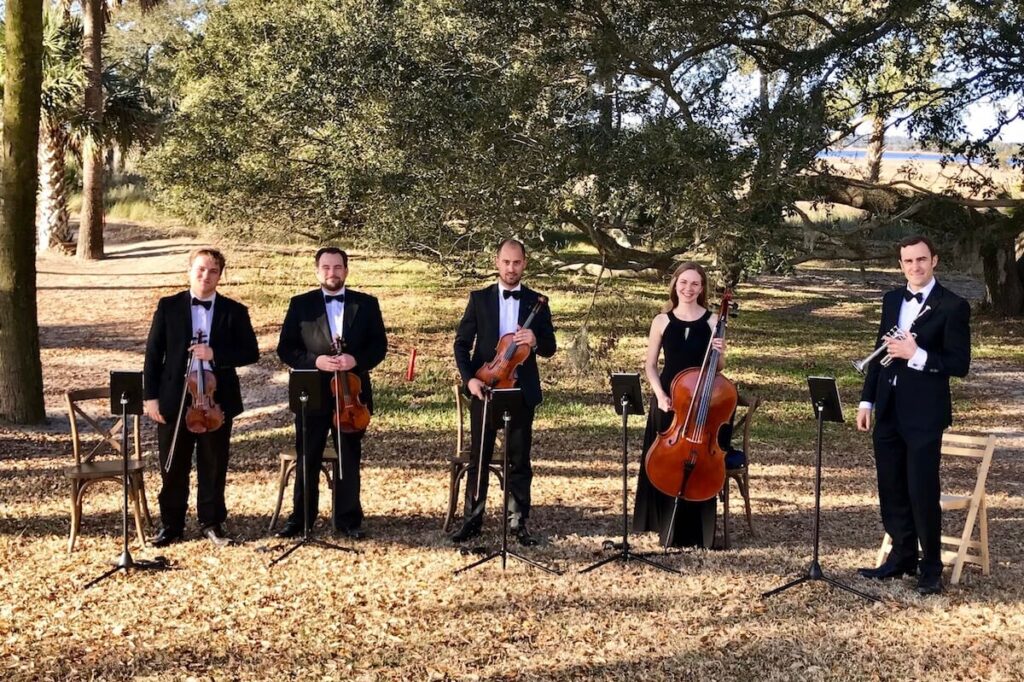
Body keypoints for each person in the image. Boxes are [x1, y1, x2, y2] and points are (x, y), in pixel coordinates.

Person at [856, 235, 971, 595]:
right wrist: (867, 401)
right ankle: (902, 555)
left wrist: (916, 354)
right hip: (888, 407)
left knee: (922, 489)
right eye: (908, 261)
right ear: (901, 264)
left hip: (924, 413)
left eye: (921, 259)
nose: (915, 267)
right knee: (890, 486)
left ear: (934, 260)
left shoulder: (952, 306)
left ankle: (931, 566)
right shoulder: (892, 299)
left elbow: (959, 364)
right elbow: (880, 349)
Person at [144, 247, 260, 547]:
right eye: (201, 269)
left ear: (220, 275)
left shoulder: (235, 311)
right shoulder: (168, 306)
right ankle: (171, 524)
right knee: (173, 464)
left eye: (213, 271)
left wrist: (215, 354)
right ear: (189, 270)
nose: (206, 275)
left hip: (215, 400)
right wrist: (151, 397)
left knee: (214, 462)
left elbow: (251, 352)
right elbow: (154, 354)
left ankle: (211, 522)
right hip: (175, 397)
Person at [275, 247, 387, 540]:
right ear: (317, 271)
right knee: (307, 455)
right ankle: (301, 520)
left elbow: (379, 346)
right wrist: (315, 362)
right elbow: (286, 348)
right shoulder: (301, 304)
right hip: (311, 392)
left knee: (349, 456)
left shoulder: (366, 304)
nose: (332, 273)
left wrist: (356, 360)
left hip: (352, 394)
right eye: (326, 267)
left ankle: (348, 520)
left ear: (346, 270)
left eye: (337, 267)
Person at [451, 238, 556, 546]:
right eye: (506, 262)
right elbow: (461, 344)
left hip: (520, 390)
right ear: (497, 262)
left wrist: (535, 339)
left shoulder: (538, 302)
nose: (511, 268)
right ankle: (473, 519)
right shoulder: (479, 298)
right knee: (479, 456)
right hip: (485, 385)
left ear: (525, 264)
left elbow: (550, 348)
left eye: (517, 263)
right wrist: (469, 379)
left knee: (520, 459)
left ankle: (517, 522)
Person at [633, 262, 725, 549]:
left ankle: (695, 528)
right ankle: (664, 525)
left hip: (700, 403)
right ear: (675, 284)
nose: (688, 288)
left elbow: (718, 367)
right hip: (669, 400)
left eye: (695, 284)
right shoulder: (662, 320)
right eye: (683, 282)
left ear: (702, 288)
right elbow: (650, 366)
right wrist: (659, 395)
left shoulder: (713, 321)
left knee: (697, 460)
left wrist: (722, 351)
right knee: (664, 459)